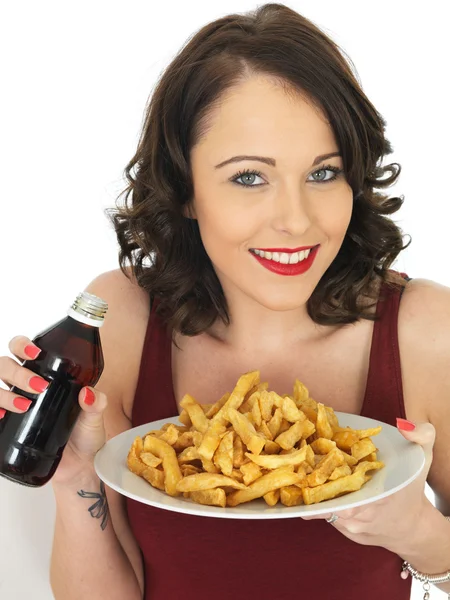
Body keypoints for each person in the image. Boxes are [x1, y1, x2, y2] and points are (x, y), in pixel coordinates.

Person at [1, 3, 449, 599]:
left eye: (323, 173)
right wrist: (75, 476)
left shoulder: (425, 331)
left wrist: (418, 533)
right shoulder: (123, 319)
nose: (296, 221)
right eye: (248, 177)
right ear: (185, 189)